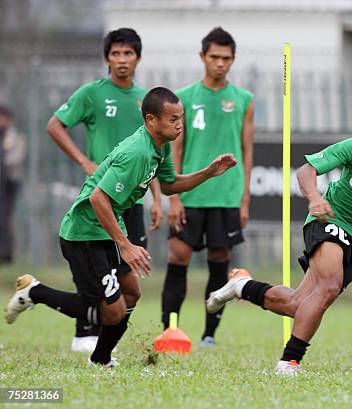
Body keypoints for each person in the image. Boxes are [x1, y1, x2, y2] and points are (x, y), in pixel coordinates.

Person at [4, 87, 237, 367]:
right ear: (151, 120)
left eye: (181, 118)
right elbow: (98, 198)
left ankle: (101, 358)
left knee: (131, 294)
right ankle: (35, 293)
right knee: (110, 311)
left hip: (105, 229)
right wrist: (125, 245)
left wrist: (208, 173)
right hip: (84, 233)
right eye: (172, 119)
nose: (180, 125)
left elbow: (170, 184)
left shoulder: (158, 147)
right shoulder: (137, 153)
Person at [206, 96, 352, 374]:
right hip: (330, 218)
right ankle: (289, 361)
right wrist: (314, 198)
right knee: (328, 286)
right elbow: (307, 170)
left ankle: (241, 286)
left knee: (297, 305)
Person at [47, 28, 163, 352]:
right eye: (116, 54)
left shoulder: (146, 100)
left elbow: (147, 154)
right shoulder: (92, 93)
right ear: (107, 58)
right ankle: (85, 329)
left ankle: (105, 341)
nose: (122, 60)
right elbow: (54, 125)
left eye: (128, 54)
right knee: (96, 263)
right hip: (102, 196)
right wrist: (83, 160)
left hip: (132, 200)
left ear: (138, 58)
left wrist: (156, 197)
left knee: (128, 282)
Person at [160, 27, 254, 347]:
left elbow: (247, 150)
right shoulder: (184, 98)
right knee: (178, 257)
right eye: (214, 57)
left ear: (233, 60)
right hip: (190, 193)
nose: (220, 64)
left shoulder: (244, 100)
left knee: (220, 262)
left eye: (226, 58)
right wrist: (173, 197)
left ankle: (209, 335)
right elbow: (176, 149)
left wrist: (244, 200)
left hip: (226, 197)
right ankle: (169, 329)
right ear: (202, 57)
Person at [0, 106, 27, 264]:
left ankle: (6, 254)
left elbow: (15, 159)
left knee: (5, 217)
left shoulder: (16, 137)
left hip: (9, 182)